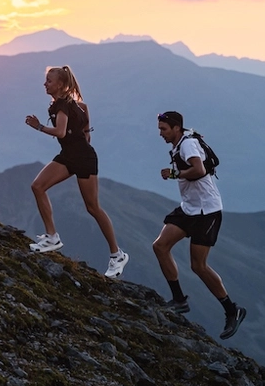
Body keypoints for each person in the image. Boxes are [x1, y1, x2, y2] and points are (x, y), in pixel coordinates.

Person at [24, 65, 129, 279]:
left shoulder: (61, 105)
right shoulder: (72, 104)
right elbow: (85, 110)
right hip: (71, 156)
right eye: (46, 80)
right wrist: (86, 133)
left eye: (49, 81)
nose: (45, 84)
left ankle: (117, 254)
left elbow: (61, 132)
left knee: (93, 207)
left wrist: (38, 127)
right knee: (38, 186)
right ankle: (52, 237)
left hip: (82, 159)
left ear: (61, 84)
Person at [153, 110, 246, 340]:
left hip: (206, 211)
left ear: (176, 128)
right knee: (160, 246)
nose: (160, 133)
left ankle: (232, 310)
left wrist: (174, 173)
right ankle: (179, 300)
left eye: (163, 129)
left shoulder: (188, 145)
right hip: (189, 207)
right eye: (159, 129)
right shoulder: (180, 143)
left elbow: (199, 169)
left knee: (198, 266)